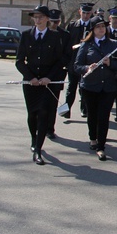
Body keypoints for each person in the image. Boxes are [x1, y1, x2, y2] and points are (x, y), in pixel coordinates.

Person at [15, 5, 65, 166]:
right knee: (32, 114)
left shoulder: (54, 37)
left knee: (43, 113)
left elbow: (60, 61)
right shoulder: (26, 36)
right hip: (30, 83)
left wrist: (48, 77)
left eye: (41, 17)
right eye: (35, 17)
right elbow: (19, 61)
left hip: (46, 83)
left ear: (47, 19)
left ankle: (38, 149)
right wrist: (30, 77)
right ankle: (33, 138)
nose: (37, 20)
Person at [73, 15, 117, 161]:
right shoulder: (86, 45)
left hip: (108, 87)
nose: (101, 29)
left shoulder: (114, 44)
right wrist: (86, 68)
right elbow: (76, 66)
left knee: (104, 116)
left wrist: (111, 64)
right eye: (98, 27)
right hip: (90, 86)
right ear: (93, 30)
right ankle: (93, 139)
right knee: (92, 115)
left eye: (103, 26)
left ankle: (101, 146)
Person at [63, 2, 94, 119]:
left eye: (88, 13)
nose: (86, 15)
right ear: (80, 12)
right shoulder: (72, 25)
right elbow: (67, 44)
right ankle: (67, 110)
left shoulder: (93, 26)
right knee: (71, 87)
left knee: (84, 87)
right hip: (73, 62)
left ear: (91, 13)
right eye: (84, 13)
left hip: (87, 62)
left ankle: (84, 109)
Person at [47, 8, 72, 139]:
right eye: (51, 22)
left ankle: (50, 128)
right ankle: (40, 126)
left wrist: (58, 65)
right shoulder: (42, 33)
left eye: (56, 22)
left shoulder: (65, 35)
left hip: (57, 73)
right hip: (42, 73)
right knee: (41, 103)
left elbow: (68, 54)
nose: (54, 25)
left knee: (52, 102)